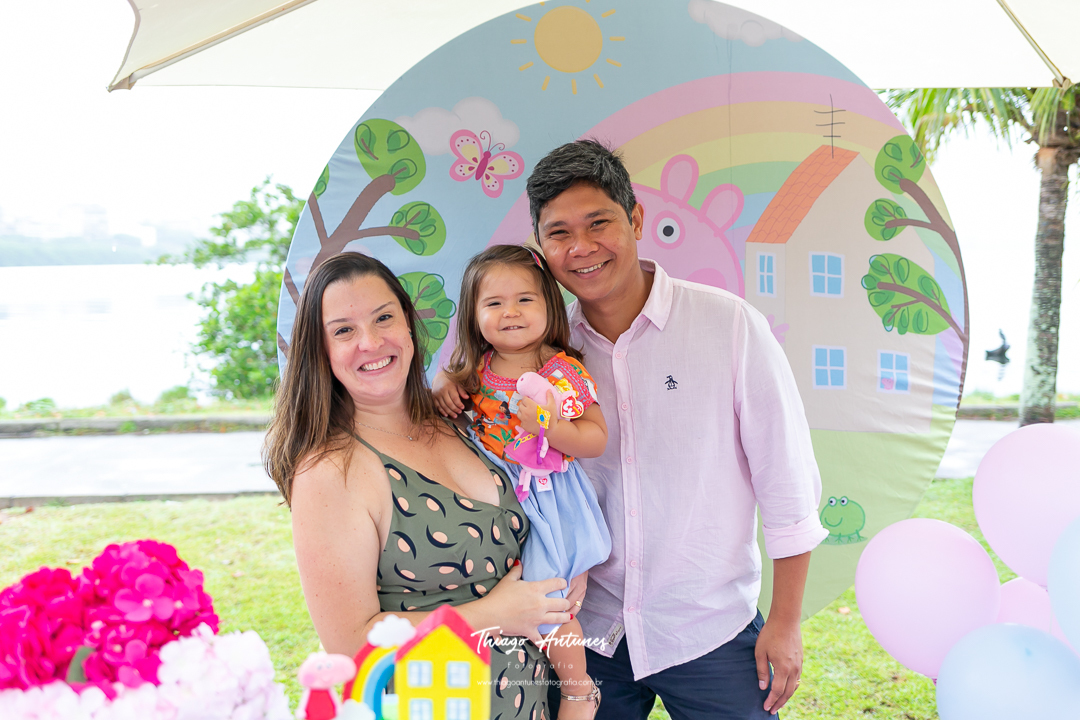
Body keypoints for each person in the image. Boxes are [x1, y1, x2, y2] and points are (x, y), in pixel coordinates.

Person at [436, 140, 828, 719]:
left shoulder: (729, 326)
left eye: (599, 223)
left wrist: (787, 623)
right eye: (559, 233)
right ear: (542, 249)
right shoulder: (542, 356)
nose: (582, 248)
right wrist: (446, 383)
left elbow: (787, 483)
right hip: (589, 632)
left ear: (636, 219)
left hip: (708, 629)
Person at [263, 252, 574, 719]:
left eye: (383, 317)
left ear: (409, 325)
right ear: (321, 351)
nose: (370, 341)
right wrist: (492, 614)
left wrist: (575, 694)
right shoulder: (331, 470)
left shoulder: (460, 423)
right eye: (343, 330)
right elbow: (350, 643)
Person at [435, 244, 613, 718]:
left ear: (549, 306)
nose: (509, 312)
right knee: (497, 591)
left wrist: (551, 428)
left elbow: (595, 439)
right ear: (473, 316)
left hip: (546, 494)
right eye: (493, 303)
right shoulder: (474, 371)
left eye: (524, 300)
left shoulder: (562, 371)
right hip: (491, 495)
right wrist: (443, 388)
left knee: (546, 595)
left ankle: (577, 692)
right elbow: (446, 417)